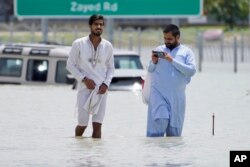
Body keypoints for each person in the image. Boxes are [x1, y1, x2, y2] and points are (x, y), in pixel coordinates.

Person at [67, 14, 114, 138]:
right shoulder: (79, 43)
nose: (99, 26)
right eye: (96, 24)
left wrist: (106, 84)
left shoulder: (107, 46)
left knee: (98, 125)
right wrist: (84, 79)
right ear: (90, 26)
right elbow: (70, 65)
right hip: (85, 89)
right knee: (83, 124)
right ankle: (78, 147)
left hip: (101, 90)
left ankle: (96, 155)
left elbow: (111, 68)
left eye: (101, 24)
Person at [146, 24, 196, 137]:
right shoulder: (159, 50)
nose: (166, 41)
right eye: (165, 38)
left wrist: (172, 60)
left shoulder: (186, 52)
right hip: (159, 94)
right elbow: (150, 69)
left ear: (177, 37)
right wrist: (153, 61)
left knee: (174, 134)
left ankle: (171, 155)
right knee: (160, 120)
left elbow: (191, 71)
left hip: (177, 97)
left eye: (169, 39)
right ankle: (154, 153)